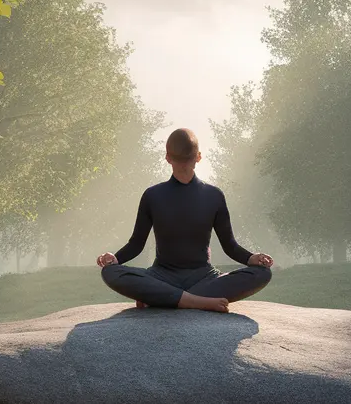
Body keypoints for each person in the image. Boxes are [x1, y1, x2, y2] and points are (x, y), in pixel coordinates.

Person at [97, 128, 274, 313]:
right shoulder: (152, 195)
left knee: (261, 273)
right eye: (180, 160)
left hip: (204, 277)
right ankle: (195, 301)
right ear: (169, 158)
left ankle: (164, 297)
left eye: (187, 159)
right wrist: (115, 258)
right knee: (111, 272)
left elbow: (229, 245)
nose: (183, 165)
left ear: (197, 157)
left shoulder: (214, 196)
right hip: (161, 275)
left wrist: (251, 258)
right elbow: (136, 244)